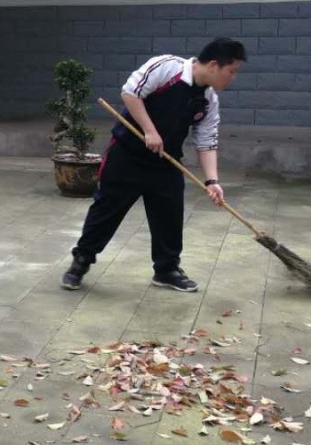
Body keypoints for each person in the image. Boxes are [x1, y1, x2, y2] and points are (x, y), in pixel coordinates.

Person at [61, 38, 247, 293]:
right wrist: (149, 130)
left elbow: (206, 140)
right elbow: (130, 92)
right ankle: (81, 262)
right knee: (106, 211)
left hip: (165, 161)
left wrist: (212, 181)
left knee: (169, 216)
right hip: (127, 155)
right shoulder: (166, 67)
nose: (233, 78)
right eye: (232, 71)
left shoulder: (208, 99)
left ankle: (167, 269)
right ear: (214, 65)